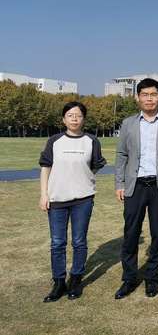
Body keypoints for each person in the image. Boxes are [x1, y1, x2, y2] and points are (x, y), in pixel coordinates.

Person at [114, 78, 158, 299]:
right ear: (138, 97)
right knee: (131, 234)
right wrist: (120, 184)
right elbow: (122, 155)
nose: (149, 98)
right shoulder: (128, 123)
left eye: (153, 94)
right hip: (135, 186)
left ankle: (151, 277)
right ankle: (129, 278)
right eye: (144, 94)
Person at [39, 101, 106, 302]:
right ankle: (59, 282)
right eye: (70, 115)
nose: (74, 119)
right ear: (63, 119)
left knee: (79, 241)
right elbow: (45, 167)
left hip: (83, 199)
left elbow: (97, 164)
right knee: (57, 243)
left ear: (83, 119)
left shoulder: (91, 141)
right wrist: (44, 195)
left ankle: (76, 279)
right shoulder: (55, 141)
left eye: (78, 115)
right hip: (57, 199)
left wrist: (85, 176)